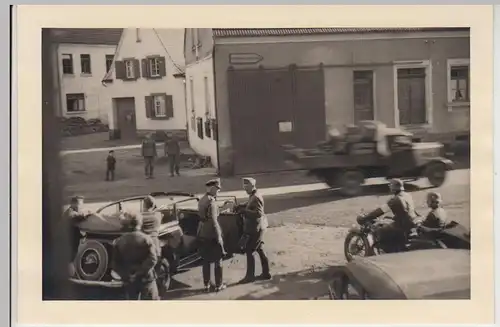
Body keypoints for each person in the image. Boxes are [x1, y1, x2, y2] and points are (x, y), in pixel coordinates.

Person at [358, 179, 419, 252]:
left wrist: (367, 217)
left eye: (391, 185)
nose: (390, 187)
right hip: (411, 222)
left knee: (379, 230)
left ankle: (385, 250)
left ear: (394, 187)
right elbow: (407, 210)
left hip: (402, 225)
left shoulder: (395, 199)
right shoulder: (408, 195)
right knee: (386, 223)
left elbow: (380, 211)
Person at [112, 212, 159, 300]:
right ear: (139, 223)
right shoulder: (146, 239)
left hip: (129, 281)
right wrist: (139, 272)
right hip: (146, 279)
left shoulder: (119, 241)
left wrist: (127, 275)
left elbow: (115, 264)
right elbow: (153, 259)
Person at [237, 177, 271, 284]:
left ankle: (250, 276)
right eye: (244, 187)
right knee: (260, 249)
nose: (245, 189)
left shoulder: (256, 197)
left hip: (256, 228)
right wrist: (242, 206)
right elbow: (250, 204)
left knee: (249, 250)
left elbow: (258, 213)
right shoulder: (253, 195)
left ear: (252, 186)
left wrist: (244, 211)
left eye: (247, 187)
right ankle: (266, 273)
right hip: (258, 227)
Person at [197, 178, 227, 293]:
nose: (218, 192)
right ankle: (219, 284)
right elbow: (214, 221)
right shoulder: (212, 202)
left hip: (203, 233)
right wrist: (219, 237)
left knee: (205, 260)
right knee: (218, 260)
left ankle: (206, 284)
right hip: (212, 234)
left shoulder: (202, 200)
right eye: (218, 189)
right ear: (213, 188)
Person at [62, 195, 91, 276]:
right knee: (69, 260)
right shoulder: (69, 213)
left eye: (82, 204)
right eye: (80, 204)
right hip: (68, 242)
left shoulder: (71, 212)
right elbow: (75, 217)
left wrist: (83, 236)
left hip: (72, 241)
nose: (81, 206)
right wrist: (85, 214)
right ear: (73, 204)